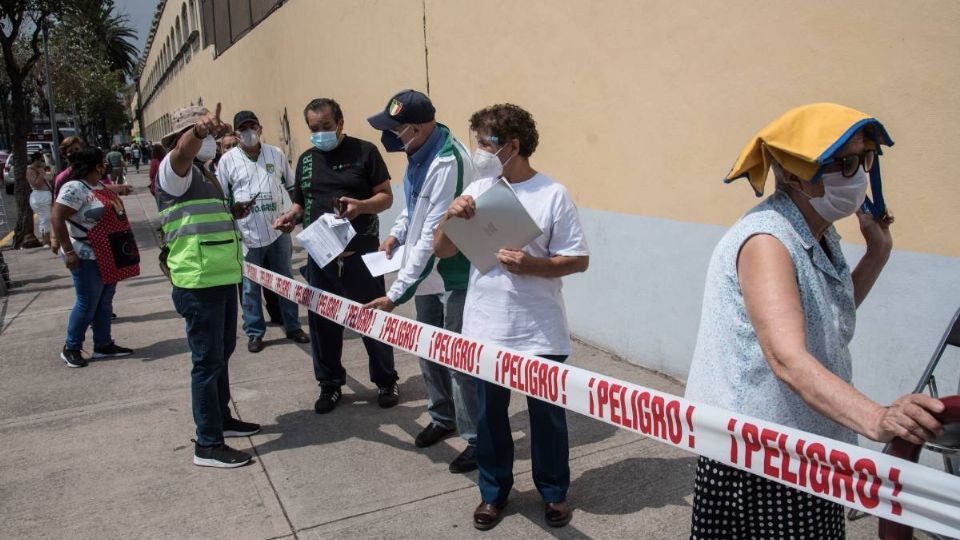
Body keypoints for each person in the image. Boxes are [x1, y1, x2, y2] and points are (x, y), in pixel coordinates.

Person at [683, 103, 945, 540]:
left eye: (862, 160)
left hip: (807, 442)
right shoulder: (768, 240)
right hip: (759, 455)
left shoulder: (817, 231)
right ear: (792, 174)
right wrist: (877, 419)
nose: (857, 175)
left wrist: (877, 253)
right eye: (842, 163)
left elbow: (830, 314)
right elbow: (786, 357)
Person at [434, 103, 589, 530]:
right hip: (486, 327)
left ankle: (554, 493)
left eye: (485, 143)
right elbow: (442, 250)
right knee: (489, 418)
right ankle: (493, 493)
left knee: (548, 420)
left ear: (513, 146)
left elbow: (578, 260)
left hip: (539, 329)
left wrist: (533, 265)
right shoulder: (479, 190)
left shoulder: (553, 193)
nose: (478, 151)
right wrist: (449, 216)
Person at [363, 90, 480, 472]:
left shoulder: (449, 161)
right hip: (423, 272)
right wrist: (396, 232)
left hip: (452, 274)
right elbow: (413, 207)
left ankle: (477, 437)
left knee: (459, 360)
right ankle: (444, 417)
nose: (391, 135)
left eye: (395, 129)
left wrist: (395, 294)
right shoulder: (417, 152)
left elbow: (433, 234)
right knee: (428, 348)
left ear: (417, 126)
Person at [274, 98, 400, 413]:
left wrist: (362, 206)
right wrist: (291, 216)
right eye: (313, 129)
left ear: (340, 123)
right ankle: (330, 385)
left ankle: (386, 380)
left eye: (326, 127)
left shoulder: (365, 152)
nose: (320, 134)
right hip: (322, 258)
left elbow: (385, 197)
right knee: (322, 326)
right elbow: (302, 203)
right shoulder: (305, 160)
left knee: (372, 319)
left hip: (361, 255)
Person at [158, 103, 261, 468]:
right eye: (203, 133)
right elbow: (184, 151)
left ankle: (222, 420)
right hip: (197, 280)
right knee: (206, 361)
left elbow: (199, 216)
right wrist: (198, 132)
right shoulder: (174, 168)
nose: (210, 139)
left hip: (220, 276)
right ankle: (208, 444)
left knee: (222, 353)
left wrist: (233, 213)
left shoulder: (204, 171)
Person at [216, 110, 309, 353]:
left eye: (252, 126)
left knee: (285, 279)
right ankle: (255, 332)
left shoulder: (275, 154)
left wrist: (296, 216)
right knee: (250, 287)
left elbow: (291, 186)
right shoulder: (227, 161)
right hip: (247, 234)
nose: (249, 132)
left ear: (260, 127)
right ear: (236, 134)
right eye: (243, 128)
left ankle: (293, 325)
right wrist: (232, 210)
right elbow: (221, 198)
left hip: (278, 230)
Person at [50, 148, 135, 368]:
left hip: (107, 253)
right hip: (84, 255)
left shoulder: (96, 186)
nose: (105, 165)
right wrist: (68, 252)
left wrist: (121, 189)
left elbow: (107, 196)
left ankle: (103, 344)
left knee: (105, 301)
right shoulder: (74, 188)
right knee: (87, 302)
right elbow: (57, 218)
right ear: (94, 165)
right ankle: (71, 347)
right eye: (102, 162)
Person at [26, 151, 52, 247]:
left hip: (46, 195)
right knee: (45, 218)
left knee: (48, 218)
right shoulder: (30, 170)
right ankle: (45, 241)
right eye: (41, 160)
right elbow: (36, 184)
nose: (42, 162)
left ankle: (48, 240)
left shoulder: (40, 169)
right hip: (39, 196)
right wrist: (41, 174)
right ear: (36, 160)